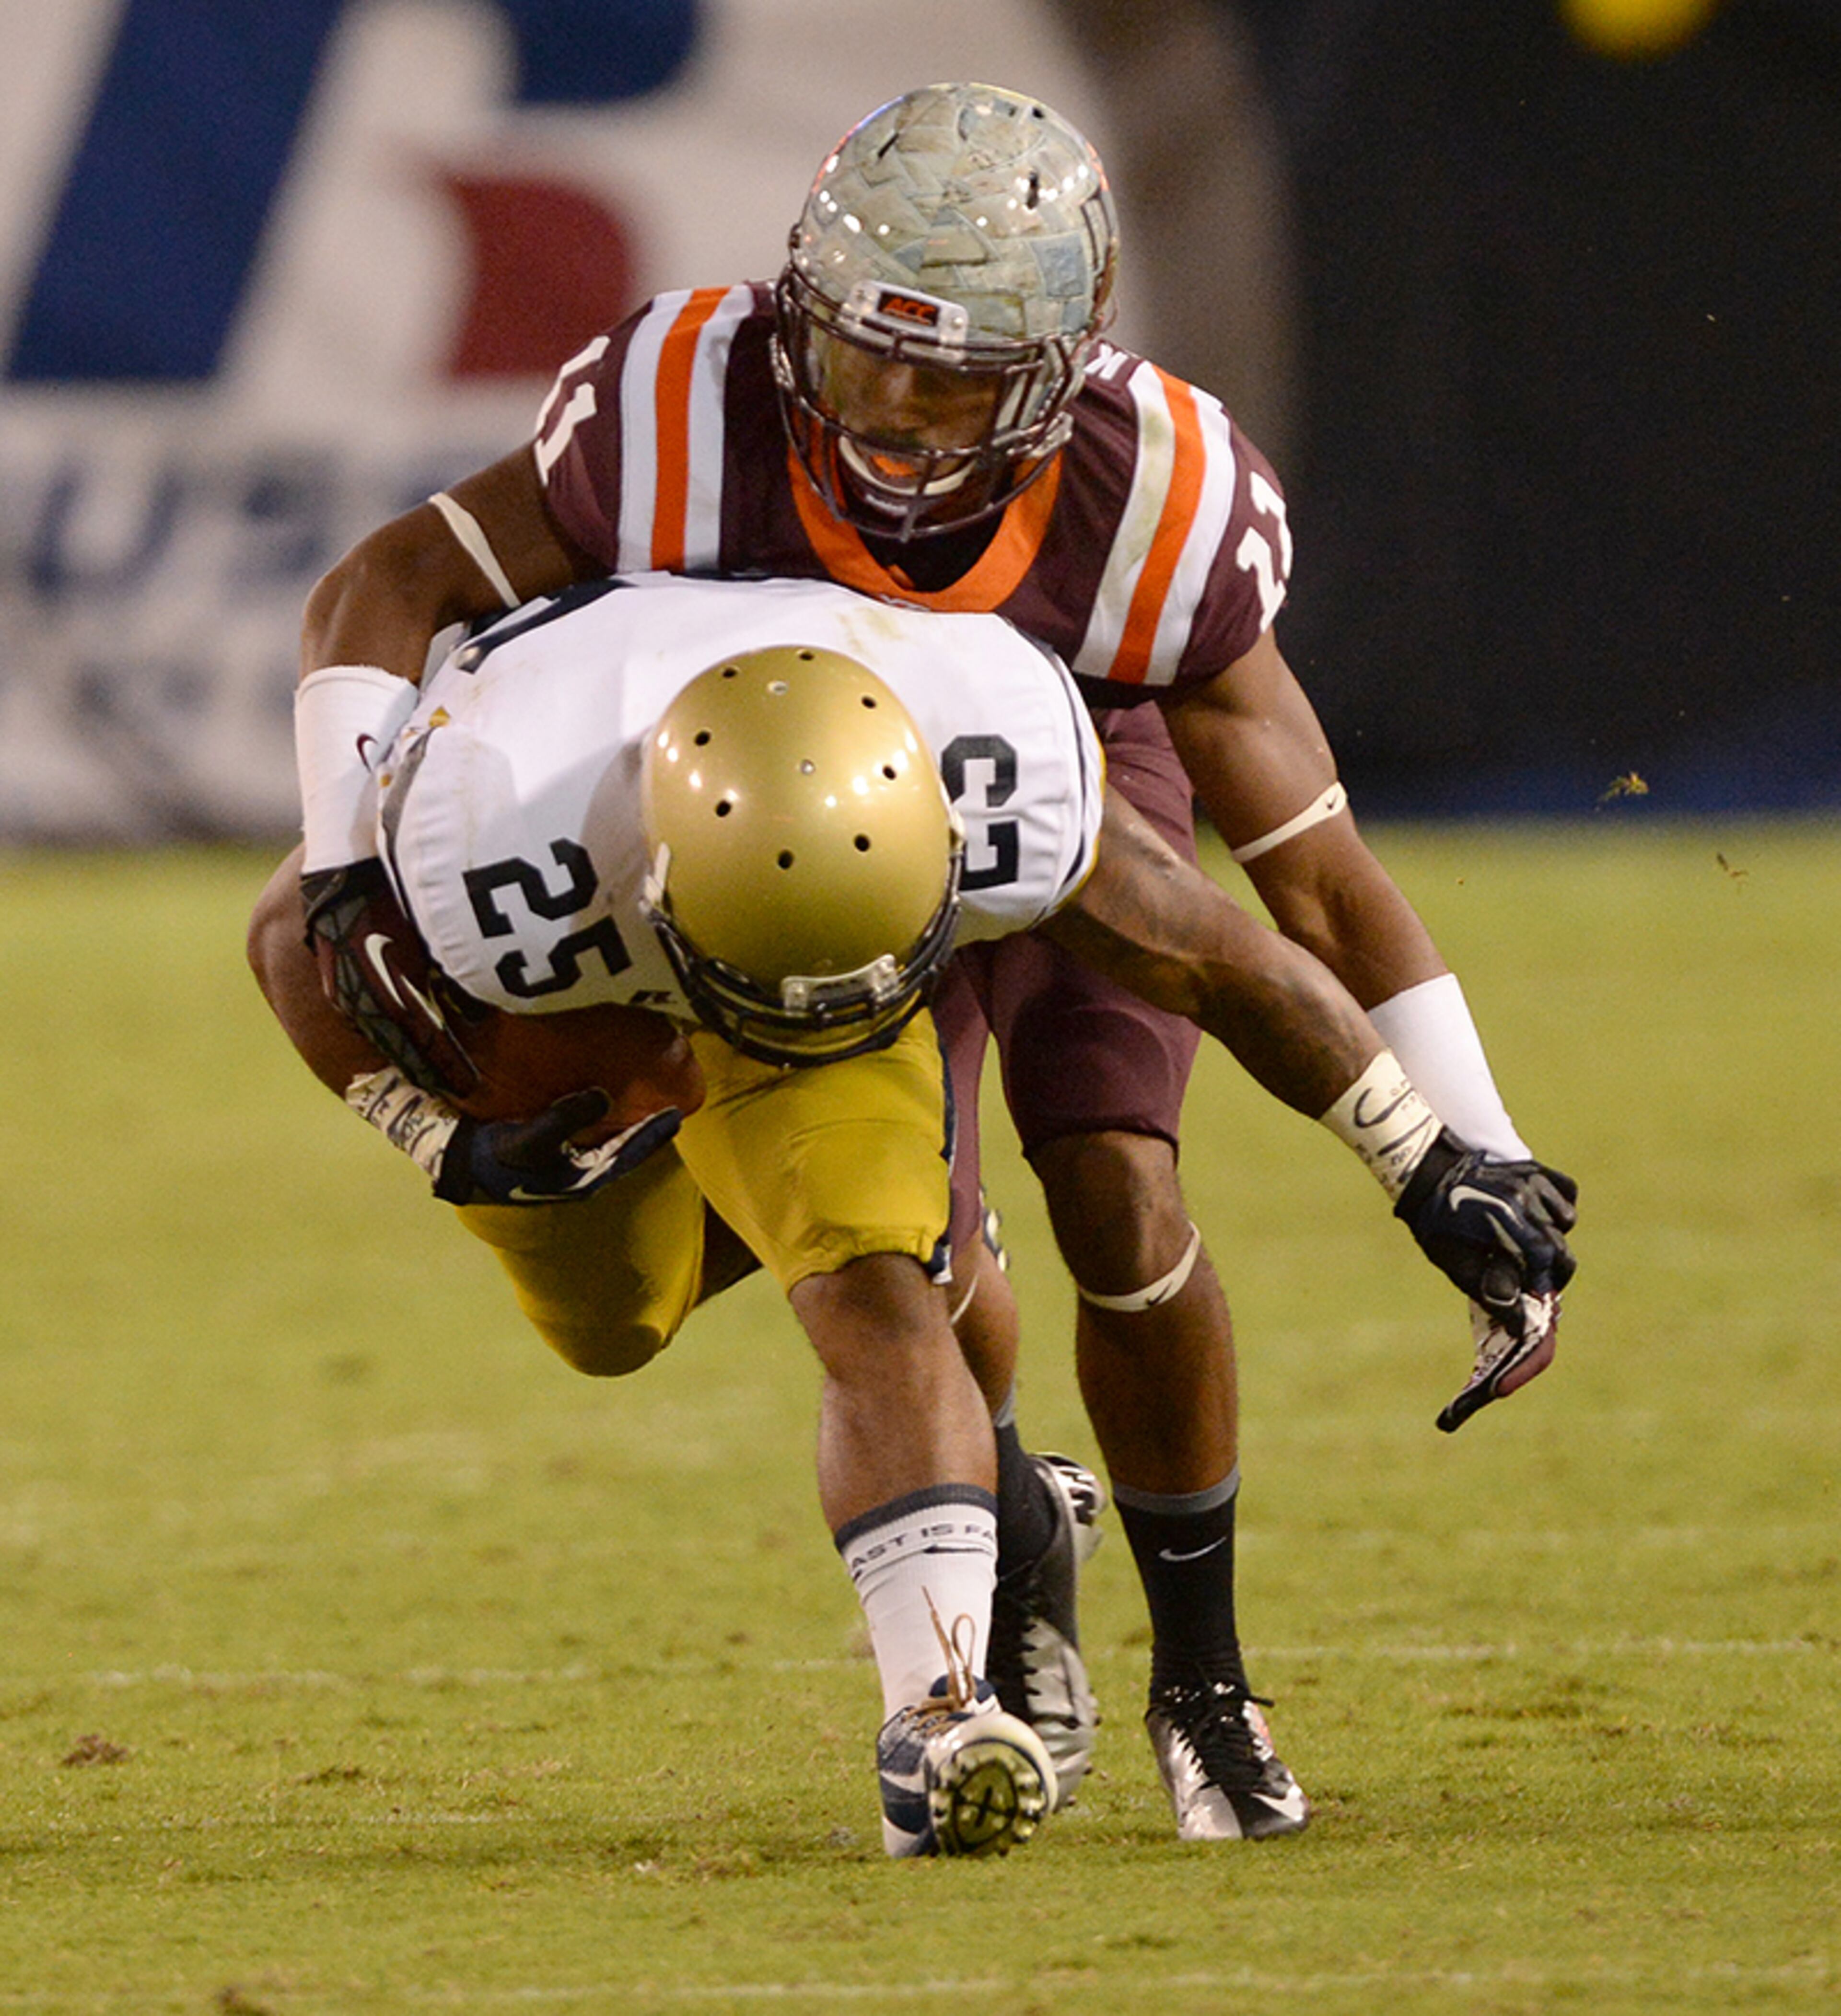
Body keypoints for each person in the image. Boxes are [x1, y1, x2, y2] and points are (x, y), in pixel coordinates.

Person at [261, 82, 1582, 1842]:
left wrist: (1468, 1154)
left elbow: (1308, 887)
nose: (892, 413)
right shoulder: (686, 406)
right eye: (866, 355)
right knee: (906, 1252)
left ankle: (1204, 1687)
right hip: (781, 818)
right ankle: (1012, 1524)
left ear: (1057, 374)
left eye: (952, 380)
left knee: (1116, 1184)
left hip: (1052, 796)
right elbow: (396, 577)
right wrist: (351, 859)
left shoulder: (1151, 496)